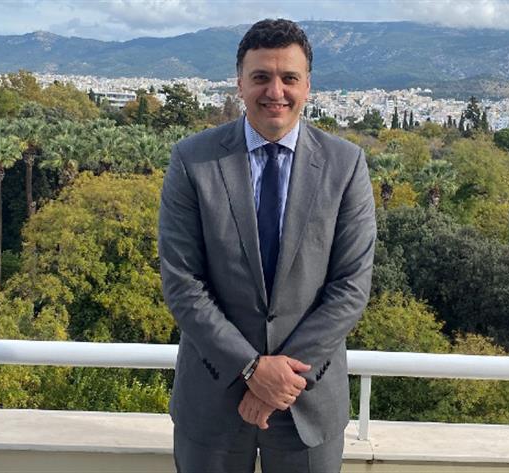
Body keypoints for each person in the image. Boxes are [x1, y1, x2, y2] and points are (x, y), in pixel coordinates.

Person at [158, 18, 376, 473]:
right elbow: (183, 282)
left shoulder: (346, 164)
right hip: (213, 398)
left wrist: (279, 380)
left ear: (308, 86)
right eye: (261, 77)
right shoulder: (193, 160)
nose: (275, 91)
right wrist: (251, 369)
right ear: (240, 83)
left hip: (307, 403)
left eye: (288, 78)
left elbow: (351, 286)